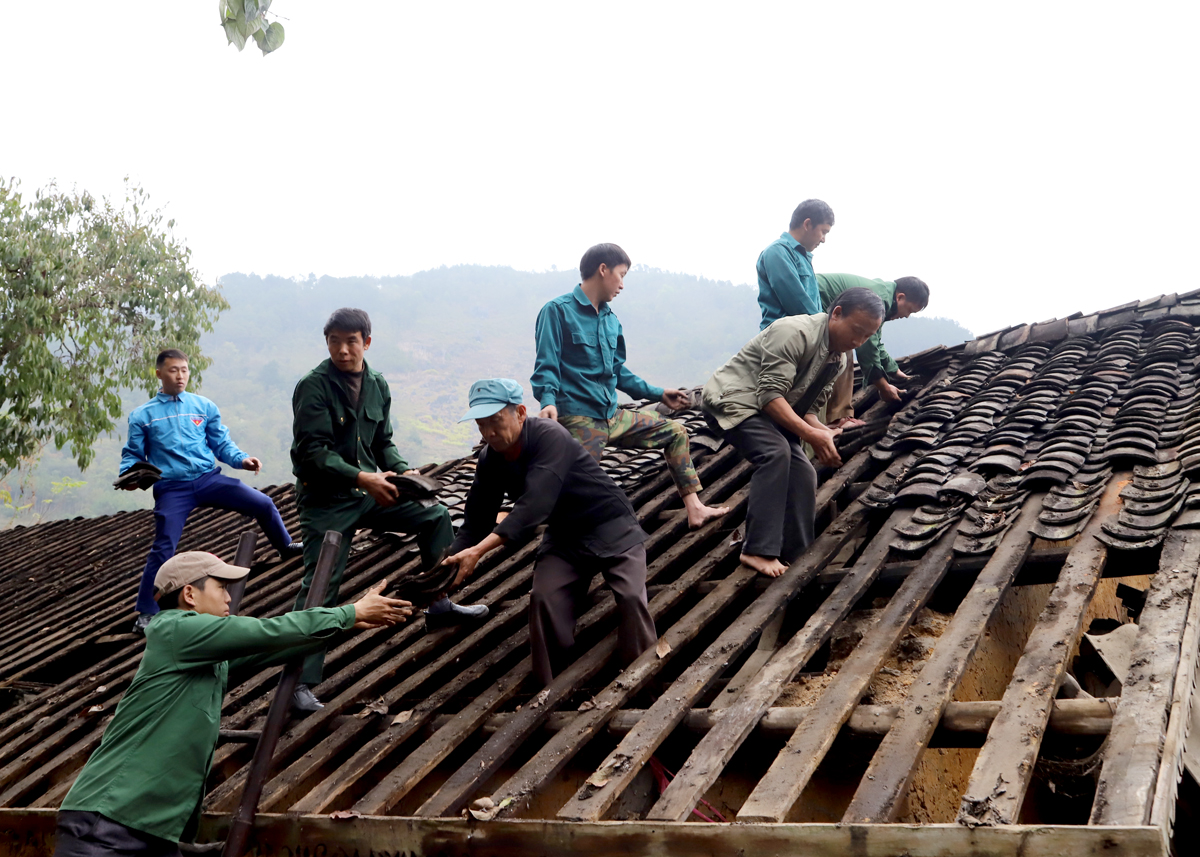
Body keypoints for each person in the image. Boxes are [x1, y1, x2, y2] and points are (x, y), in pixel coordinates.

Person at [54, 550, 411, 857]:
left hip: (148, 830)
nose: (228, 598)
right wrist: (346, 612)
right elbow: (267, 632)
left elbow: (275, 647)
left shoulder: (205, 656)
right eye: (222, 588)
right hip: (106, 821)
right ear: (190, 595)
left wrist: (351, 622)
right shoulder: (176, 629)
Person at [289, 308, 488, 712]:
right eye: (334, 342)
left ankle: (439, 603)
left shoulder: (377, 384)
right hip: (327, 502)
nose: (343, 350)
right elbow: (311, 454)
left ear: (367, 341)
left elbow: (383, 441)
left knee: (435, 516)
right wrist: (364, 479)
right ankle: (298, 681)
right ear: (326, 343)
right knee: (321, 584)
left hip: (366, 492)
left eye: (351, 341)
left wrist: (400, 470)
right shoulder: (313, 386)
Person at [443, 378, 657, 686]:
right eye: (481, 425)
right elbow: (475, 523)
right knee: (543, 600)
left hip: (610, 524)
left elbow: (533, 507)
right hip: (565, 535)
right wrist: (445, 566)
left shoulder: (549, 436)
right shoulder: (490, 459)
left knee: (631, 598)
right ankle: (555, 685)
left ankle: (639, 680)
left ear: (519, 412)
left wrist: (478, 552)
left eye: (495, 421)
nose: (489, 432)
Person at [532, 243, 727, 529]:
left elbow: (619, 374)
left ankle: (695, 508)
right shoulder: (557, 311)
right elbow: (546, 365)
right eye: (621, 275)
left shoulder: (612, 322)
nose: (622, 284)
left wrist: (659, 393)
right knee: (578, 490)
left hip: (613, 416)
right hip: (579, 418)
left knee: (676, 432)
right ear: (603, 270)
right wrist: (548, 401)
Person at [702, 287, 885, 578]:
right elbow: (770, 396)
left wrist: (825, 432)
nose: (857, 341)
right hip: (735, 401)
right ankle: (757, 549)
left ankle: (797, 554)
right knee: (775, 454)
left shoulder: (836, 360)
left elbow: (808, 410)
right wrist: (813, 436)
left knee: (804, 473)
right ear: (836, 314)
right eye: (856, 331)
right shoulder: (794, 332)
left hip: (771, 413)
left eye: (866, 337)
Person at [119, 349, 301, 635]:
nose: (180, 376)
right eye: (173, 370)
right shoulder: (143, 415)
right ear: (159, 374)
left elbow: (221, 444)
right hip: (172, 488)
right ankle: (146, 611)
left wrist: (241, 460)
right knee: (164, 544)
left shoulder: (203, 406)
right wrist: (128, 477)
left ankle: (285, 547)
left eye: (184, 370)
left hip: (208, 479)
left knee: (263, 503)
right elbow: (132, 456)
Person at [817, 274, 930, 427]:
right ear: (900, 297)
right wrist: (883, 387)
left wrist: (895, 371)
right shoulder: (879, 300)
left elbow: (875, 342)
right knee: (844, 350)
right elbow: (867, 348)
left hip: (817, 310)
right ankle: (838, 417)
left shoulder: (883, 298)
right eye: (909, 310)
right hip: (806, 305)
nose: (906, 316)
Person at [756, 199, 836, 330]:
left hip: (805, 337)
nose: (823, 240)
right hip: (782, 340)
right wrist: (827, 330)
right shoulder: (777, 252)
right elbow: (797, 303)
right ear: (808, 224)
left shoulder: (802, 257)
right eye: (823, 232)